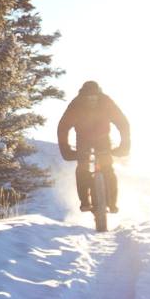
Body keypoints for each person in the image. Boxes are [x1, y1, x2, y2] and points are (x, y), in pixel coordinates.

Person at [57, 80, 130, 213]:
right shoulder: (76, 104)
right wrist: (66, 150)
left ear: (99, 96)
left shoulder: (106, 102)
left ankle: (112, 204)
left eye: (94, 98)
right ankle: (85, 202)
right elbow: (63, 128)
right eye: (88, 98)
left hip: (103, 139)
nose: (92, 100)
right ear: (83, 97)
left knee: (107, 168)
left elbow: (122, 123)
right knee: (82, 168)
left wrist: (124, 145)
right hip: (83, 139)